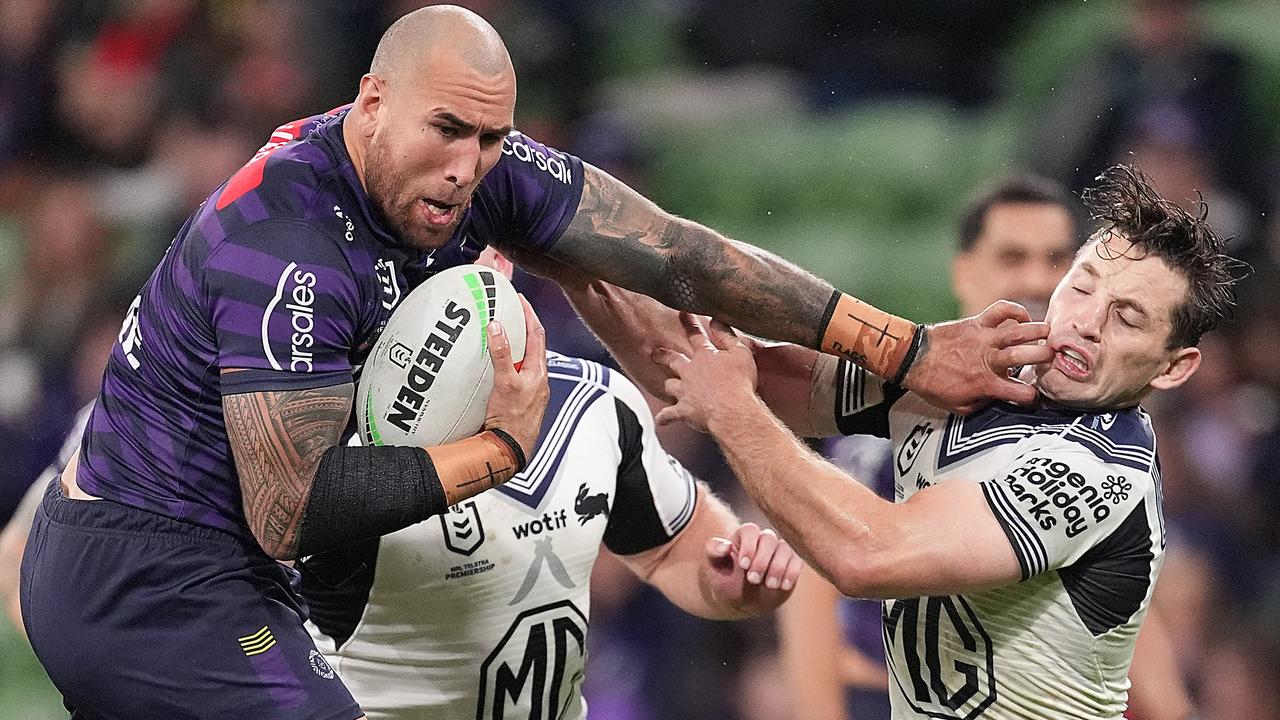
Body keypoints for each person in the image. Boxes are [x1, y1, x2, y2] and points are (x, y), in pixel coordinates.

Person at [20, 6, 1040, 719]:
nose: (467, 165)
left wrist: (903, 343)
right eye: (448, 130)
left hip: (235, 569)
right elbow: (289, 509)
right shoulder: (284, 241)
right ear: (370, 102)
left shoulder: (469, 175)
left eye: (492, 138)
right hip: (146, 569)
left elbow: (680, 255)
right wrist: (496, 448)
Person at [565, 166, 1239, 718]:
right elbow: (713, 368)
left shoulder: (1102, 472)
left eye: (1126, 319)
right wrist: (563, 252)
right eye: (1083, 285)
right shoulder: (970, 379)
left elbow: (867, 555)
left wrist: (735, 412)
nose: (1085, 322)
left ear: (1173, 365)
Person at [300, 249, 800, 720]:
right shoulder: (322, 443)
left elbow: (670, 551)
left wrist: (735, 583)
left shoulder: (598, 403)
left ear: (499, 260)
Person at [778, 174, 1079, 720]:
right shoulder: (905, 403)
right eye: (1013, 257)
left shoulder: (1100, 420)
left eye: (1057, 259)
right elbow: (816, 574)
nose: (1038, 278)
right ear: (964, 273)